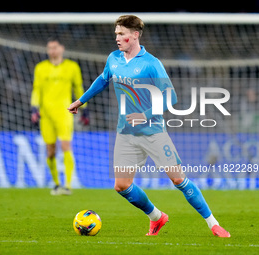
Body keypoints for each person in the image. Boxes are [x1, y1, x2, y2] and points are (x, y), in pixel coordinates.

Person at [68, 15, 230, 237]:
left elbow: (170, 98)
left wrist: (144, 115)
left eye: (121, 34)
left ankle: (213, 224)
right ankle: (156, 217)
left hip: (153, 132)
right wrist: (81, 100)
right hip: (125, 133)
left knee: (178, 179)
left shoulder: (152, 63)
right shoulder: (114, 58)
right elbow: (103, 79)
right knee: (121, 186)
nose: (117, 38)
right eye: (116, 33)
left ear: (135, 35)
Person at [31, 37, 89, 195]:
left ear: (61, 48)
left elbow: (78, 88)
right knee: (50, 150)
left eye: (55, 47)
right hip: (46, 115)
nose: (52, 51)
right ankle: (56, 183)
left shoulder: (72, 67)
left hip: (65, 112)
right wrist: (34, 108)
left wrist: (85, 108)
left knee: (65, 146)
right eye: (49, 48)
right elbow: (37, 90)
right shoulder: (40, 68)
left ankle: (68, 186)